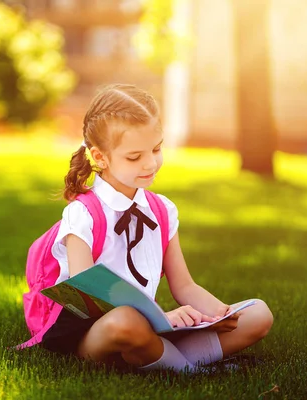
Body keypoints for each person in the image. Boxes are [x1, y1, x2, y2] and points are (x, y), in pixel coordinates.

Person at [40, 83, 273, 373]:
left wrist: (218, 312)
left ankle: (160, 357)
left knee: (258, 314)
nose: (151, 163)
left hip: (152, 327)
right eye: (135, 157)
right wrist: (160, 318)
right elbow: (88, 297)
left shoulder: (162, 210)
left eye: (156, 149)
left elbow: (184, 285)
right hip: (98, 332)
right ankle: (191, 370)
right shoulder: (82, 214)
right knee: (127, 321)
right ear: (101, 157)